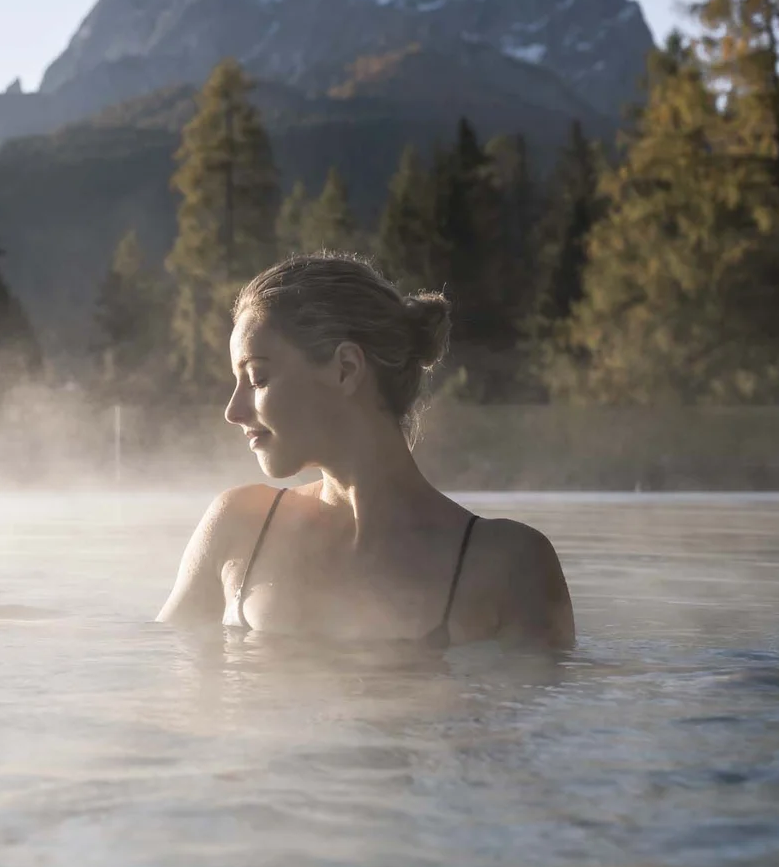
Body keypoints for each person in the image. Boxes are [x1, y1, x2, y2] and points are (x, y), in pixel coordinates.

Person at [157, 253, 575, 648]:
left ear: (346, 369)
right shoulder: (239, 525)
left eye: (258, 377)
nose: (233, 410)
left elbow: (541, 712)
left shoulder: (505, 563)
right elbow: (164, 689)